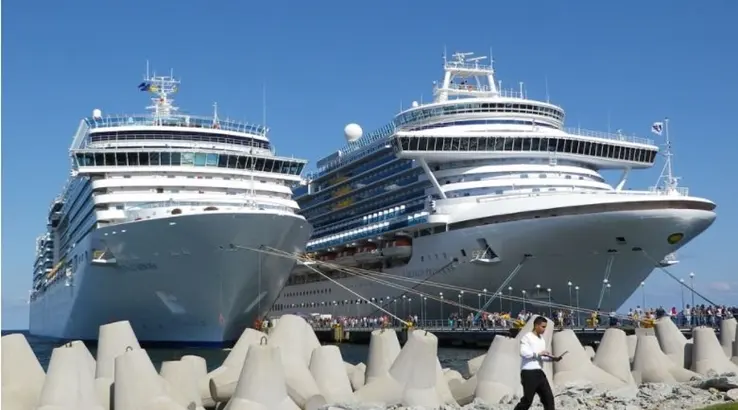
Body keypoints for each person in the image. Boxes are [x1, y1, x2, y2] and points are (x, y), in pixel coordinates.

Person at [513, 316, 561, 410]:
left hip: (539, 372)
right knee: (527, 401)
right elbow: (523, 352)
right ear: (536, 325)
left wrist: (552, 359)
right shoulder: (527, 337)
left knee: (549, 399)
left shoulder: (542, 340)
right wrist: (538, 354)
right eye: (543, 327)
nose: (544, 329)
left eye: (545, 327)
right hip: (528, 372)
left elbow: (541, 357)